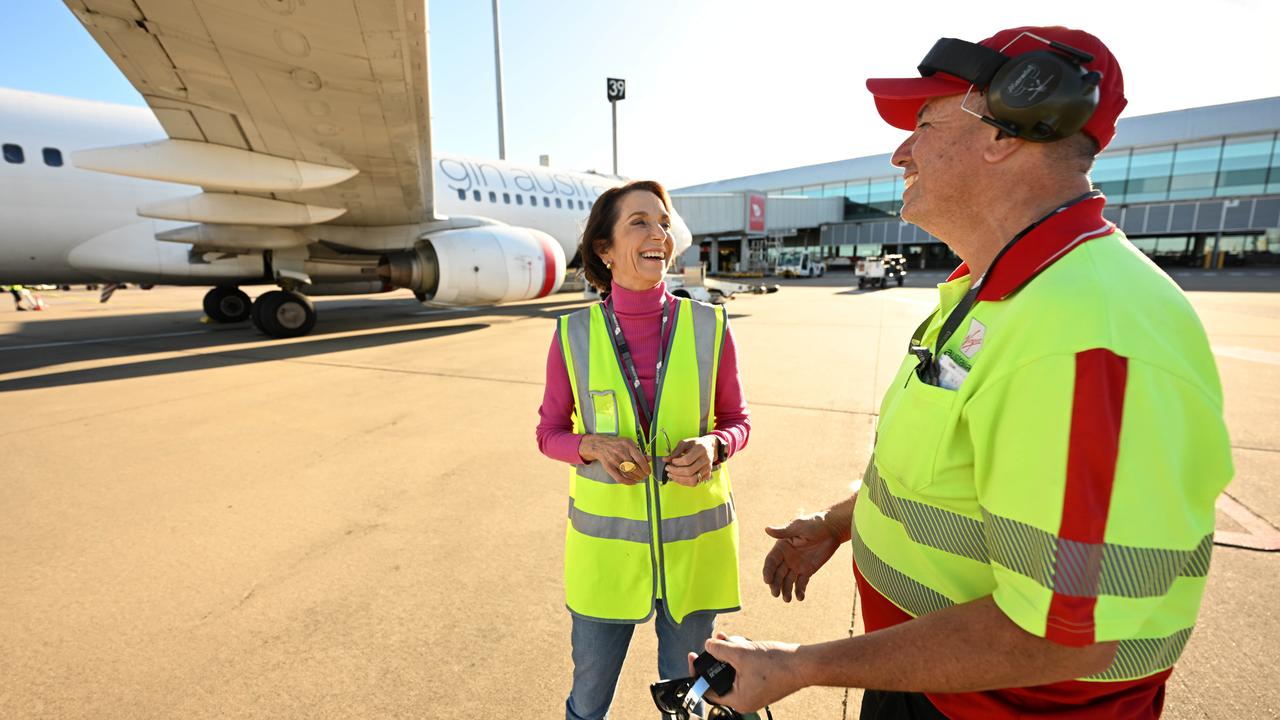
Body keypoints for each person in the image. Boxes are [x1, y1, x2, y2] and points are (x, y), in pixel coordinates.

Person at [691, 26, 1233, 719]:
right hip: (935, 680)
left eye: (922, 124)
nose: (900, 151)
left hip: (1004, 708)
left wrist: (802, 666)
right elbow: (951, 478)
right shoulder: (995, 290)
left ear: (1005, 131)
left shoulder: (1086, 333)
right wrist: (838, 522)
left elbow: (1063, 636)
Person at [537, 179, 751, 720]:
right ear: (604, 251)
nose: (658, 233)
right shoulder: (573, 335)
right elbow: (548, 434)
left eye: (663, 222)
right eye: (639, 222)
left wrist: (715, 444)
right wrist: (588, 445)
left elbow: (738, 422)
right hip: (607, 559)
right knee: (588, 699)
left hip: (690, 554)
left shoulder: (710, 325)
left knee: (687, 700)